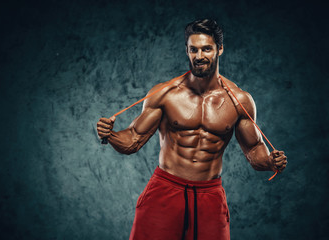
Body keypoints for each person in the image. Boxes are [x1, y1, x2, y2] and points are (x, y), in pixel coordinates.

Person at [96, 19, 287, 240]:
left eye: (206, 48)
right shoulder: (165, 94)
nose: (199, 56)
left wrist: (270, 162)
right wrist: (109, 135)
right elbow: (132, 140)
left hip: (209, 194)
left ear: (220, 49)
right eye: (193, 49)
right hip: (165, 190)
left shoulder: (239, 100)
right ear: (186, 51)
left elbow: (254, 150)